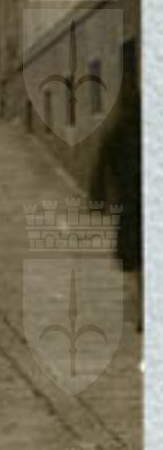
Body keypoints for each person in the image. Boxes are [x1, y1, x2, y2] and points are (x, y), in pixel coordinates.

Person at [90, 63, 141, 329]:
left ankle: (143, 310)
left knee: (138, 262)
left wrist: (98, 199)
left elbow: (101, 167)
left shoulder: (117, 131)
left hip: (130, 205)